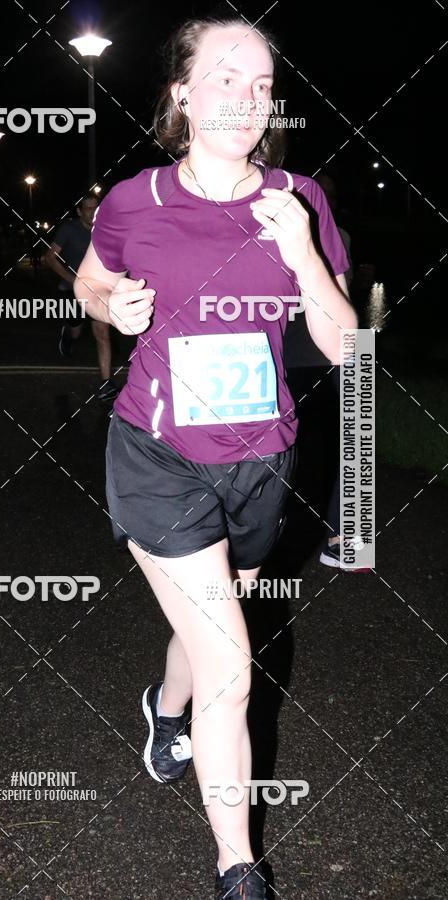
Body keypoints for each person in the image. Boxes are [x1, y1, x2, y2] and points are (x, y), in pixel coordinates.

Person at [76, 15, 357, 900]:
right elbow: (91, 278)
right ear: (183, 95)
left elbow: (345, 345)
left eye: (261, 84)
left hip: (261, 461)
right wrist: (112, 304)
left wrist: (301, 253)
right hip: (158, 457)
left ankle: (165, 711)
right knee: (232, 667)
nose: (246, 98)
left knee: (213, 626)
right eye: (225, 79)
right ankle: (238, 870)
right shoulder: (136, 200)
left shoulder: (300, 199)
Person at [284, 172, 369, 570]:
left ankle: (346, 538)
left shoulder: (339, 237)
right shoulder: (339, 236)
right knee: (347, 443)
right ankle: (344, 540)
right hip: (307, 351)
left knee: (346, 442)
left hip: (320, 351)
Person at [47, 194, 118, 403]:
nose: (93, 212)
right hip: (72, 289)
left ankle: (106, 384)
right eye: (88, 208)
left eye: (96, 207)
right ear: (79, 211)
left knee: (102, 333)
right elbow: (49, 257)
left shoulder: (106, 229)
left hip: (98, 290)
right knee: (76, 331)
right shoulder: (68, 229)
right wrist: (71, 279)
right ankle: (68, 334)